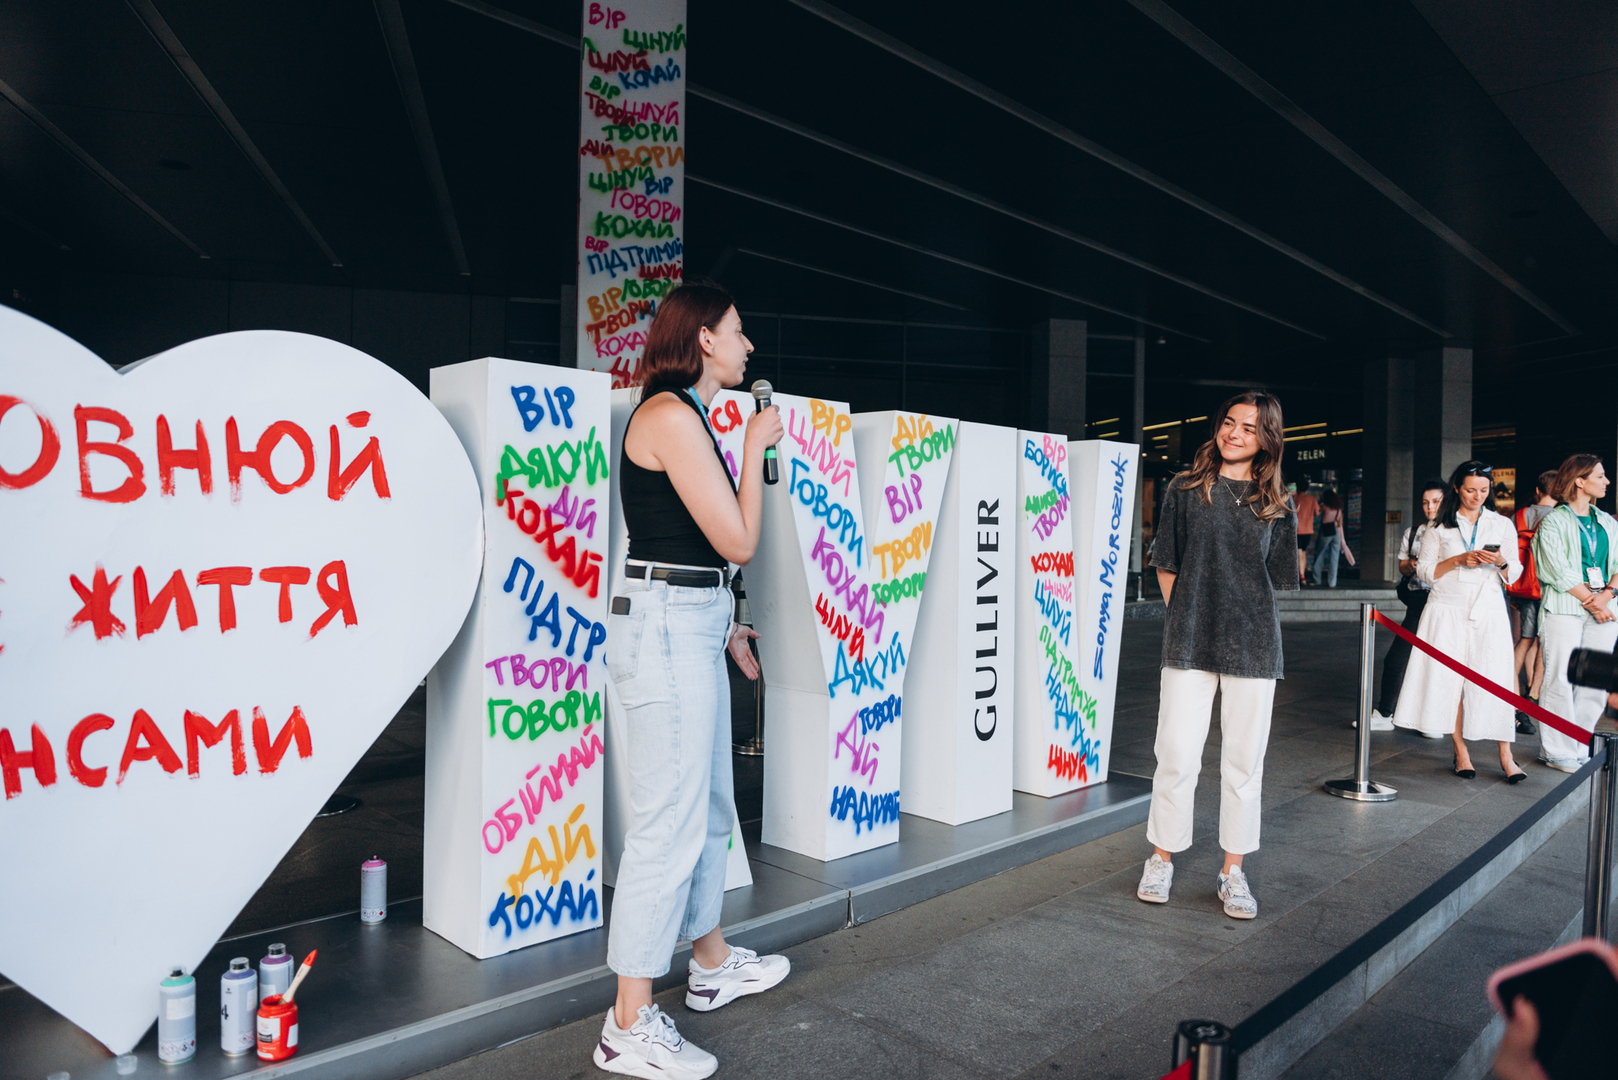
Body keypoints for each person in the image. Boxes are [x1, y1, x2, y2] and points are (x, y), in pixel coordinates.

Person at [597, 284, 790, 1079]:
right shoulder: (671, 416)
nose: (749, 346)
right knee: (666, 824)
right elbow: (738, 540)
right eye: (739, 332)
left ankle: (708, 962)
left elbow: (696, 545)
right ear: (705, 339)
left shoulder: (687, 415)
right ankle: (627, 1023)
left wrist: (725, 623)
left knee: (708, 807)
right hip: (666, 627)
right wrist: (753, 449)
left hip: (691, 619)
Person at [1136, 390, 1298, 920]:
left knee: (1244, 764)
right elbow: (1166, 563)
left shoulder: (1277, 502)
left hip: (1254, 642)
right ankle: (1161, 858)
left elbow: (1275, 580)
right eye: (1230, 422)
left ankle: (1233, 872)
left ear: (1267, 439)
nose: (1234, 433)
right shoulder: (1186, 488)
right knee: (1176, 754)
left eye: (1249, 428)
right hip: (1190, 638)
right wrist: (1188, 614)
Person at [1391, 461, 1526, 781]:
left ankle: (1506, 754)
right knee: (1448, 680)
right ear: (1457, 488)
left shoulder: (1501, 524)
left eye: (1484, 490)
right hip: (1446, 608)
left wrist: (1501, 561)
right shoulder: (1439, 527)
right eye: (1470, 490)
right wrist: (1457, 560)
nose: (1477, 496)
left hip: (1488, 608)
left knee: (1496, 679)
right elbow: (1425, 572)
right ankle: (1460, 751)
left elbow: (1515, 574)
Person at [1531, 454, 1618, 772]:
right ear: (1579, 481)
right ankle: (1556, 750)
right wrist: (1595, 601)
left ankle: (1579, 745)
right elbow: (1556, 570)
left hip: (1605, 609)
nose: (1607, 481)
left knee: (1594, 681)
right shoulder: (1554, 521)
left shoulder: (1607, 522)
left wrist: (1607, 596)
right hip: (1564, 609)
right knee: (1559, 678)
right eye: (1600, 476)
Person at [1369, 479, 1447, 731]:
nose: (1430, 507)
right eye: (1425, 502)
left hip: (1443, 602)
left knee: (1436, 663)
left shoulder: (1453, 533)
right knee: (1397, 659)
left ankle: (1432, 721)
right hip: (1417, 601)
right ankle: (1385, 713)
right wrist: (1412, 565)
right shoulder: (1414, 532)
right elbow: (1402, 566)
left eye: (1436, 501)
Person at [1507, 471, 1558, 734]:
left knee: (1526, 639)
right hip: (1549, 588)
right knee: (1542, 640)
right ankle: (1534, 692)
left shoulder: (1519, 516)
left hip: (1523, 586)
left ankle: (1511, 686)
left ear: (1538, 490)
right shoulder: (1560, 517)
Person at [1309, 489, 1355, 586]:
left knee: (1319, 554)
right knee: (1334, 557)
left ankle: (1316, 580)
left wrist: (1320, 501)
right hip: (1335, 533)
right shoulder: (1338, 509)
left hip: (1325, 531)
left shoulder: (1325, 507)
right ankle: (1332, 582)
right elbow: (1340, 523)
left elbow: (1316, 511)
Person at [1294, 479, 1318, 585]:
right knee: (1303, 552)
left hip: (1297, 530)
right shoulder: (1312, 499)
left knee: (1299, 552)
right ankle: (1302, 574)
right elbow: (1317, 512)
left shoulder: (1295, 499)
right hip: (1308, 530)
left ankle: (1302, 575)